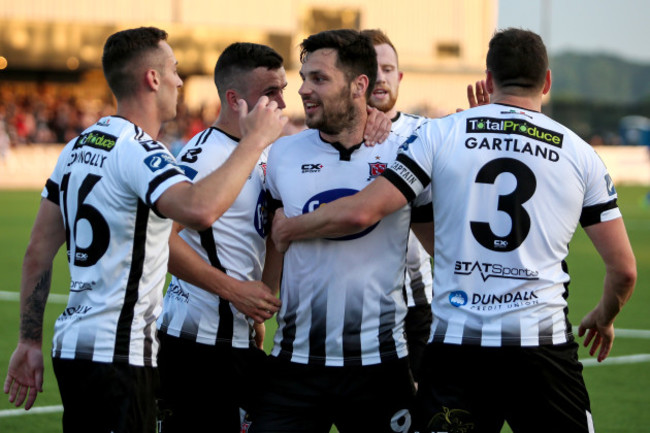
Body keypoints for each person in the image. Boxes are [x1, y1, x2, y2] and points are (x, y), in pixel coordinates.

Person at [271, 28, 637, 433]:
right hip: (542, 349)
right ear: (547, 82)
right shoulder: (581, 154)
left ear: (489, 78)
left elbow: (365, 210)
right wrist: (603, 317)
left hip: (458, 352)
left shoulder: (441, 134)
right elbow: (624, 270)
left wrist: (290, 228)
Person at [3, 27, 287, 433]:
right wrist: (254, 141)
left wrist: (29, 340)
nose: (179, 81)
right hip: (120, 354)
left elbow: (37, 250)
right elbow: (199, 210)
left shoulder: (78, 146)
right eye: (172, 70)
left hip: (72, 347)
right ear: (152, 79)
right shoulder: (140, 149)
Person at [249, 29, 434, 433]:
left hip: (380, 367)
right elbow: (274, 243)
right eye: (303, 77)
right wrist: (261, 306)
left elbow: (441, 244)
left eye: (319, 78)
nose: (302, 90)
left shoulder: (406, 148)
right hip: (294, 364)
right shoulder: (282, 153)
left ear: (358, 86)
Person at [155, 42, 287, 433]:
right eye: (269, 92)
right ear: (234, 99)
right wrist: (233, 291)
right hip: (194, 346)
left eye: (282, 88)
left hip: (238, 341)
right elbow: (160, 240)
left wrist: (259, 299)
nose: (282, 100)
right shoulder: (204, 156)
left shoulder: (262, 152)